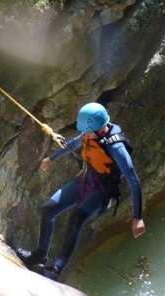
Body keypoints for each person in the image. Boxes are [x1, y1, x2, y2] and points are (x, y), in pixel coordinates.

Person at [18, 102, 146, 281]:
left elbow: (134, 181)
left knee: (75, 220)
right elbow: (73, 144)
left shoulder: (116, 147)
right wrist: (51, 159)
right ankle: (40, 255)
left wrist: (137, 217)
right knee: (48, 209)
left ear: (99, 129)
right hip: (86, 180)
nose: (84, 134)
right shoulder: (91, 131)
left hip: (103, 191)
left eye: (86, 131)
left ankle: (56, 270)